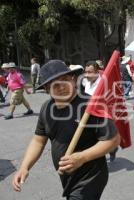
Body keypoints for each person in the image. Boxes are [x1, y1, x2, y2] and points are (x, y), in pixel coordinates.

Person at [12, 60, 120, 200]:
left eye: (65, 79)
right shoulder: (46, 108)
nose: (61, 86)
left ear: (73, 79)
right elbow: (38, 141)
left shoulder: (91, 105)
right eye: (54, 84)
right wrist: (24, 167)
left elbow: (113, 139)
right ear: (46, 89)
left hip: (91, 177)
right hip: (68, 178)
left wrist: (82, 157)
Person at [82, 61, 119, 162]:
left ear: (97, 72)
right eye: (86, 72)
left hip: (103, 114)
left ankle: (113, 149)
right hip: (90, 114)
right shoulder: (85, 81)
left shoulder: (104, 83)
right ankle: (97, 159)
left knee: (107, 138)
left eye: (90, 72)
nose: (87, 75)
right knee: (94, 139)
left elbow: (112, 99)